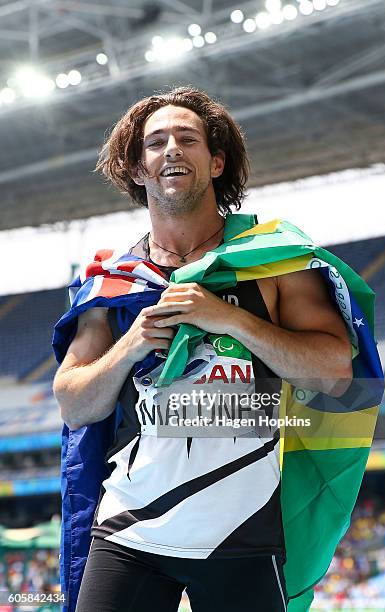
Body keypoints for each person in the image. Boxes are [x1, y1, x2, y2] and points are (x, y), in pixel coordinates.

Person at [52, 87, 353, 611]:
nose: (171, 148)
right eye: (156, 142)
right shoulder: (113, 283)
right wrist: (130, 345)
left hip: (242, 532)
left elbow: (335, 375)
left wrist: (229, 319)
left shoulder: (274, 261)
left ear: (216, 162)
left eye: (187, 139)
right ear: (138, 168)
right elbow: (75, 404)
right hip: (129, 532)